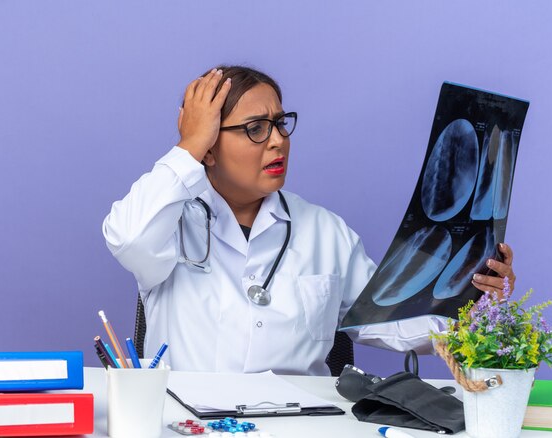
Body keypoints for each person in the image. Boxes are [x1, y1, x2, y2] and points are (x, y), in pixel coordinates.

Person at [102, 66, 516, 376]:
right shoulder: (168, 223)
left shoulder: (324, 231)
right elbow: (127, 238)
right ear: (209, 148)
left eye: (280, 123)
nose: (279, 139)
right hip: (190, 427)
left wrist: (475, 303)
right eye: (255, 129)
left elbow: (389, 323)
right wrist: (188, 145)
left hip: (305, 425)